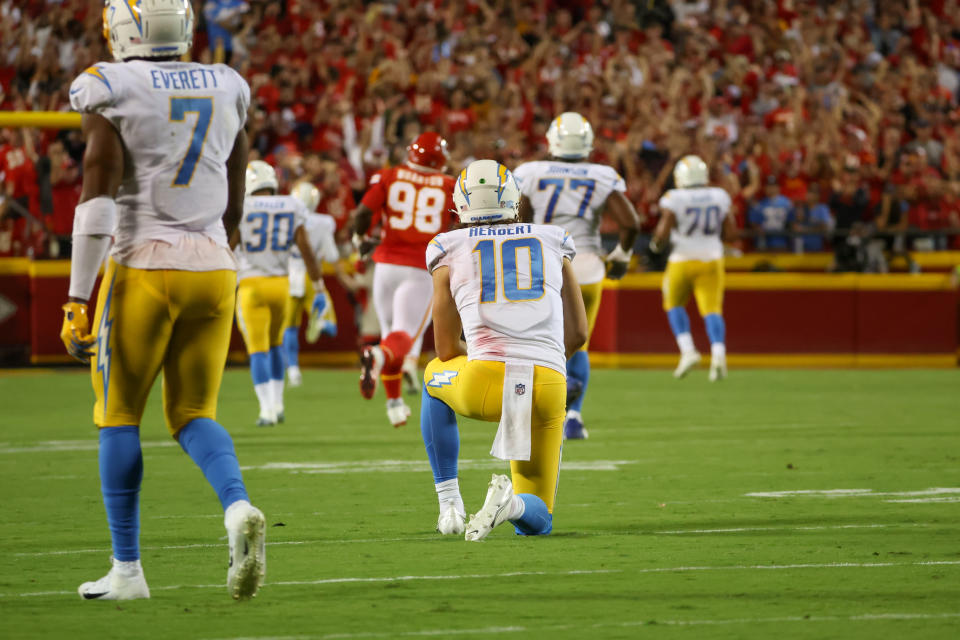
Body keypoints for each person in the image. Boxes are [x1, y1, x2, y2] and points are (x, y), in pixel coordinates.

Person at [59, 0, 264, 601]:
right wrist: (221, 237)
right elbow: (238, 169)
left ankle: (128, 571)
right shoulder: (227, 82)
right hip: (214, 265)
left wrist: (77, 296)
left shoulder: (109, 83)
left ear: (122, 29)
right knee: (194, 414)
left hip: (144, 263)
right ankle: (236, 507)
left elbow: (98, 189)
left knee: (119, 415)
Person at [420, 159, 588, 540]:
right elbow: (578, 333)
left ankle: (450, 503)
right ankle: (511, 505)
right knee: (539, 519)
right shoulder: (553, 239)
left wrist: (490, 354)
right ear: (513, 200)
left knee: (432, 377)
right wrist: (536, 360)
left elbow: (445, 348)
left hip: (485, 382)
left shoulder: (447, 247)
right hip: (547, 384)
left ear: (460, 206)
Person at [513, 112, 639, 440]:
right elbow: (630, 223)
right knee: (578, 342)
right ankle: (574, 417)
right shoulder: (601, 175)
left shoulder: (531, 171)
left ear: (552, 139)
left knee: (533, 340)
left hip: (542, 260)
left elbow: (520, 219)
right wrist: (622, 256)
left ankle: (530, 408)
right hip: (585, 262)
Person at [350, 132, 456, 427]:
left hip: (385, 267)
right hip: (421, 266)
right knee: (404, 338)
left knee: (391, 337)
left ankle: (394, 404)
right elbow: (458, 224)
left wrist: (361, 238)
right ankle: (375, 356)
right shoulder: (448, 185)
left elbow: (363, 213)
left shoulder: (390, 175)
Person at [234, 161, 327, 425]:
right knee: (275, 346)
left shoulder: (242, 207)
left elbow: (229, 247)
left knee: (257, 350)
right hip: (281, 286)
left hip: (252, 286)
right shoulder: (291, 205)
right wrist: (319, 287)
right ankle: (278, 404)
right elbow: (306, 250)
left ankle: (266, 410)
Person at [651, 155, 737, 381]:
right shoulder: (719, 196)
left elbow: (663, 230)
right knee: (712, 310)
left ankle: (688, 350)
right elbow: (731, 234)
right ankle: (719, 354)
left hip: (682, 259)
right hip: (712, 259)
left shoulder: (674, 198)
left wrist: (655, 245)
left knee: (673, 303)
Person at [281, 181, 344, 387]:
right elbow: (332, 254)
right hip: (311, 276)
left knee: (289, 328)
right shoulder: (322, 223)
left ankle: (293, 371)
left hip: (288, 276)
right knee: (332, 326)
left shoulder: (285, 218)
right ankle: (321, 322)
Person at [748, 176, 793, 251]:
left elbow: (792, 223)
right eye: (769, 186)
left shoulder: (786, 203)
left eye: (773, 186)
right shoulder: (760, 204)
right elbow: (754, 224)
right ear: (765, 188)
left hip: (783, 242)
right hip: (765, 243)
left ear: (778, 187)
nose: (771, 188)